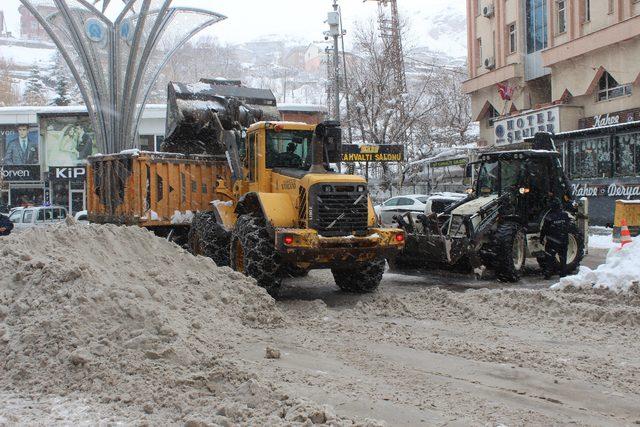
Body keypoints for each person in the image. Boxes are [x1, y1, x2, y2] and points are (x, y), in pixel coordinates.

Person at [540, 197, 571, 279]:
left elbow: (544, 229)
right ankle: (563, 274)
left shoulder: (549, 217)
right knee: (563, 258)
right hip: (564, 240)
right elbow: (568, 227)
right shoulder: (565, 215)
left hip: (552, 241)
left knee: (550, 258)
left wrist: (541, 238)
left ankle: (548, 273)